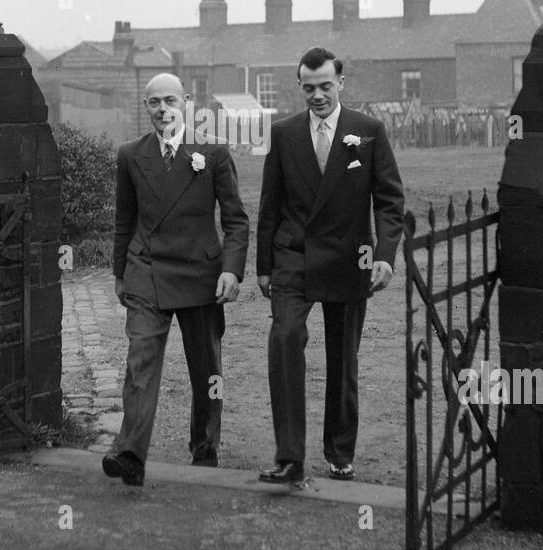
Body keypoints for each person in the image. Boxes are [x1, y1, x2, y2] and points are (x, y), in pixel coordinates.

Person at [256, 47, 404, 483]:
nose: (317, 96)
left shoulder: (368, 130)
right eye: (308, 88)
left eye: (324, 86)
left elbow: (390, 201)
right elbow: (270, 204)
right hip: (293, 256)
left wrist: (384, 256)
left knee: (343, 360)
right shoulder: (284, 133)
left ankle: (340, 452)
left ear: (341, 82)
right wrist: (265, 266)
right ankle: (289, 456)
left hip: (348, 257)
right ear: (299, 86)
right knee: (284, 340)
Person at [103, 73, 249, 486]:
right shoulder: (131, 155)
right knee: (141, 361)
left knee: (207, 369)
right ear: (145, 107)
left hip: (199, 274)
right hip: (146, 270)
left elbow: (236, 220)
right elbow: (124, 220)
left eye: (170, 100)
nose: (162, 109)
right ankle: (129, 453)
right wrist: (120, 274)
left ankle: (205, 448)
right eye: (153, 103)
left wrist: (230, 269)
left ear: (185, 101)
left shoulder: (212, 153)